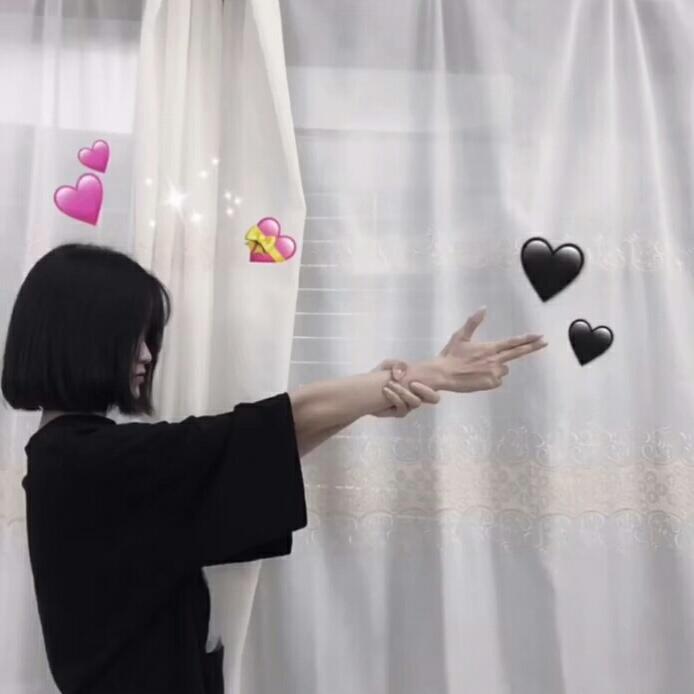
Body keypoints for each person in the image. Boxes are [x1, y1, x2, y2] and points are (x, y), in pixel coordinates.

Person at [1, 242, 547, 694]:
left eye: (150, 338)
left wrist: (370, 398)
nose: (146, 355)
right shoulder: (91, 464)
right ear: (80, 335)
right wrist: (425, 373)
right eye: (133, 337)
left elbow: (255, 451)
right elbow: (263, 431)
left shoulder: (72, 461)